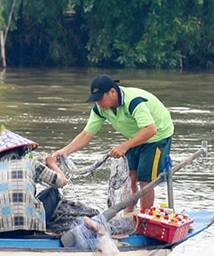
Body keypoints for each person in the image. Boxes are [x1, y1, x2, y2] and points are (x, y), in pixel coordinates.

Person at [52, 75, 174, 213]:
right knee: (129, 177)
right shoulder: (100, 110)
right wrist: (65, 151)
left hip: (158, 135)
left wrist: (124, 146)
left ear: (112, 92)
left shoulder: (133, 101)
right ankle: (128, 212)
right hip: (135, 135)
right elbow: (87, 134)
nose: (98, 103)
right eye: (95, 100)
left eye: (100, 98)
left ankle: (145, 217)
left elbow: (151, 129)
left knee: (145, 180)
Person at [0, 129, 68, 237]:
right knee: (53, 191)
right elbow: (62, 181)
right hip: (26, 229)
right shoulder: (31, 164)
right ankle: (39, 231)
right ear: (22, 150)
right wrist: (51, 164)